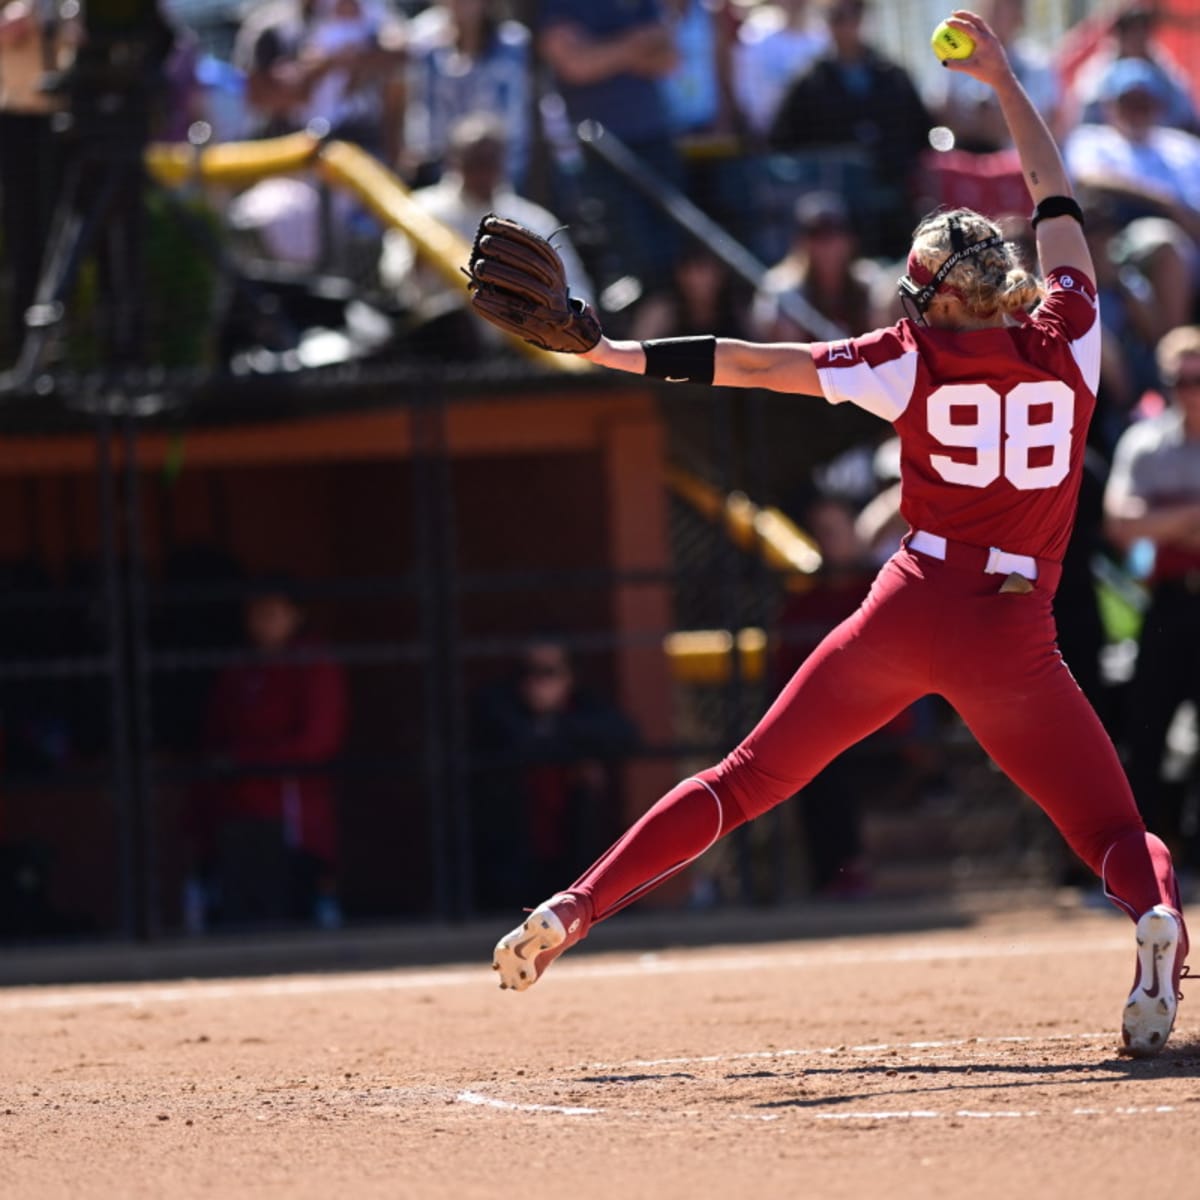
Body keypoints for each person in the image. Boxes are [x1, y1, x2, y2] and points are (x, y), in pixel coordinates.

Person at [486, 11, 1190, 1058]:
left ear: (938, 298)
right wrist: (1001, 79)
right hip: (1014, 634)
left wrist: (613, 350)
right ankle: (1156, 920)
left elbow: (751, 362)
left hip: (910, 607)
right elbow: (1056, 196)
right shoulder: (1073, 333)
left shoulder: (912, 355)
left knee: (741, 781)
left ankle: (576, 908)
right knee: (1112, 834)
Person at [191, 575, 348, 929]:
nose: (263, 622)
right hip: (240, 801)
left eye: (273, 612)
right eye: (256, 613)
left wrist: (253, 759)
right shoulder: (239, 667)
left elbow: (318, 740)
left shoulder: (312, 662)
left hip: (292, 800)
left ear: (295, 616)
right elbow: (217, 729)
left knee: (300, 882)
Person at [1104, 326, 1200, 880]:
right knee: (1147, 731)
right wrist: (1191, 518)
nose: (1188, 390)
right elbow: (1120, 524)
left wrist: (1164, 522)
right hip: (1167, 606)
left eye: (1197, 378)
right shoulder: (1143, 443)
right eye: (1177, 380)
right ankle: (1148, 865)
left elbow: (1142, 522)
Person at [379, 111, 592, 356]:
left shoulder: (533, 221)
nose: (482, 170)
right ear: (454, 160)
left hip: (522, 355)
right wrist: (420, 263)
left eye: (489, 160)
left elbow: (576, 292)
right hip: (439, 354)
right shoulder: (421, 212)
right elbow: (394, 282)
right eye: (474, 161)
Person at [470, 638, 639, 910]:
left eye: (548, 672)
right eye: (528, 672)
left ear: (569, 676)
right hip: (512, 860)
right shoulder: (499, 706)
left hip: (575, 853)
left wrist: (561, 734)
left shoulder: (585, 705)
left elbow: (627, 735)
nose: (537, 683)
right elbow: (519, 741)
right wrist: (565, 740)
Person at [766, 0, 931, 258]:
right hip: (837, 220)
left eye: (853, 14)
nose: (845, 25)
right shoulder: (809, 83)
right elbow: (783, 142)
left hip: (895, 209)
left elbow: (921, 136)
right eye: (836, 17)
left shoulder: (894, 77)